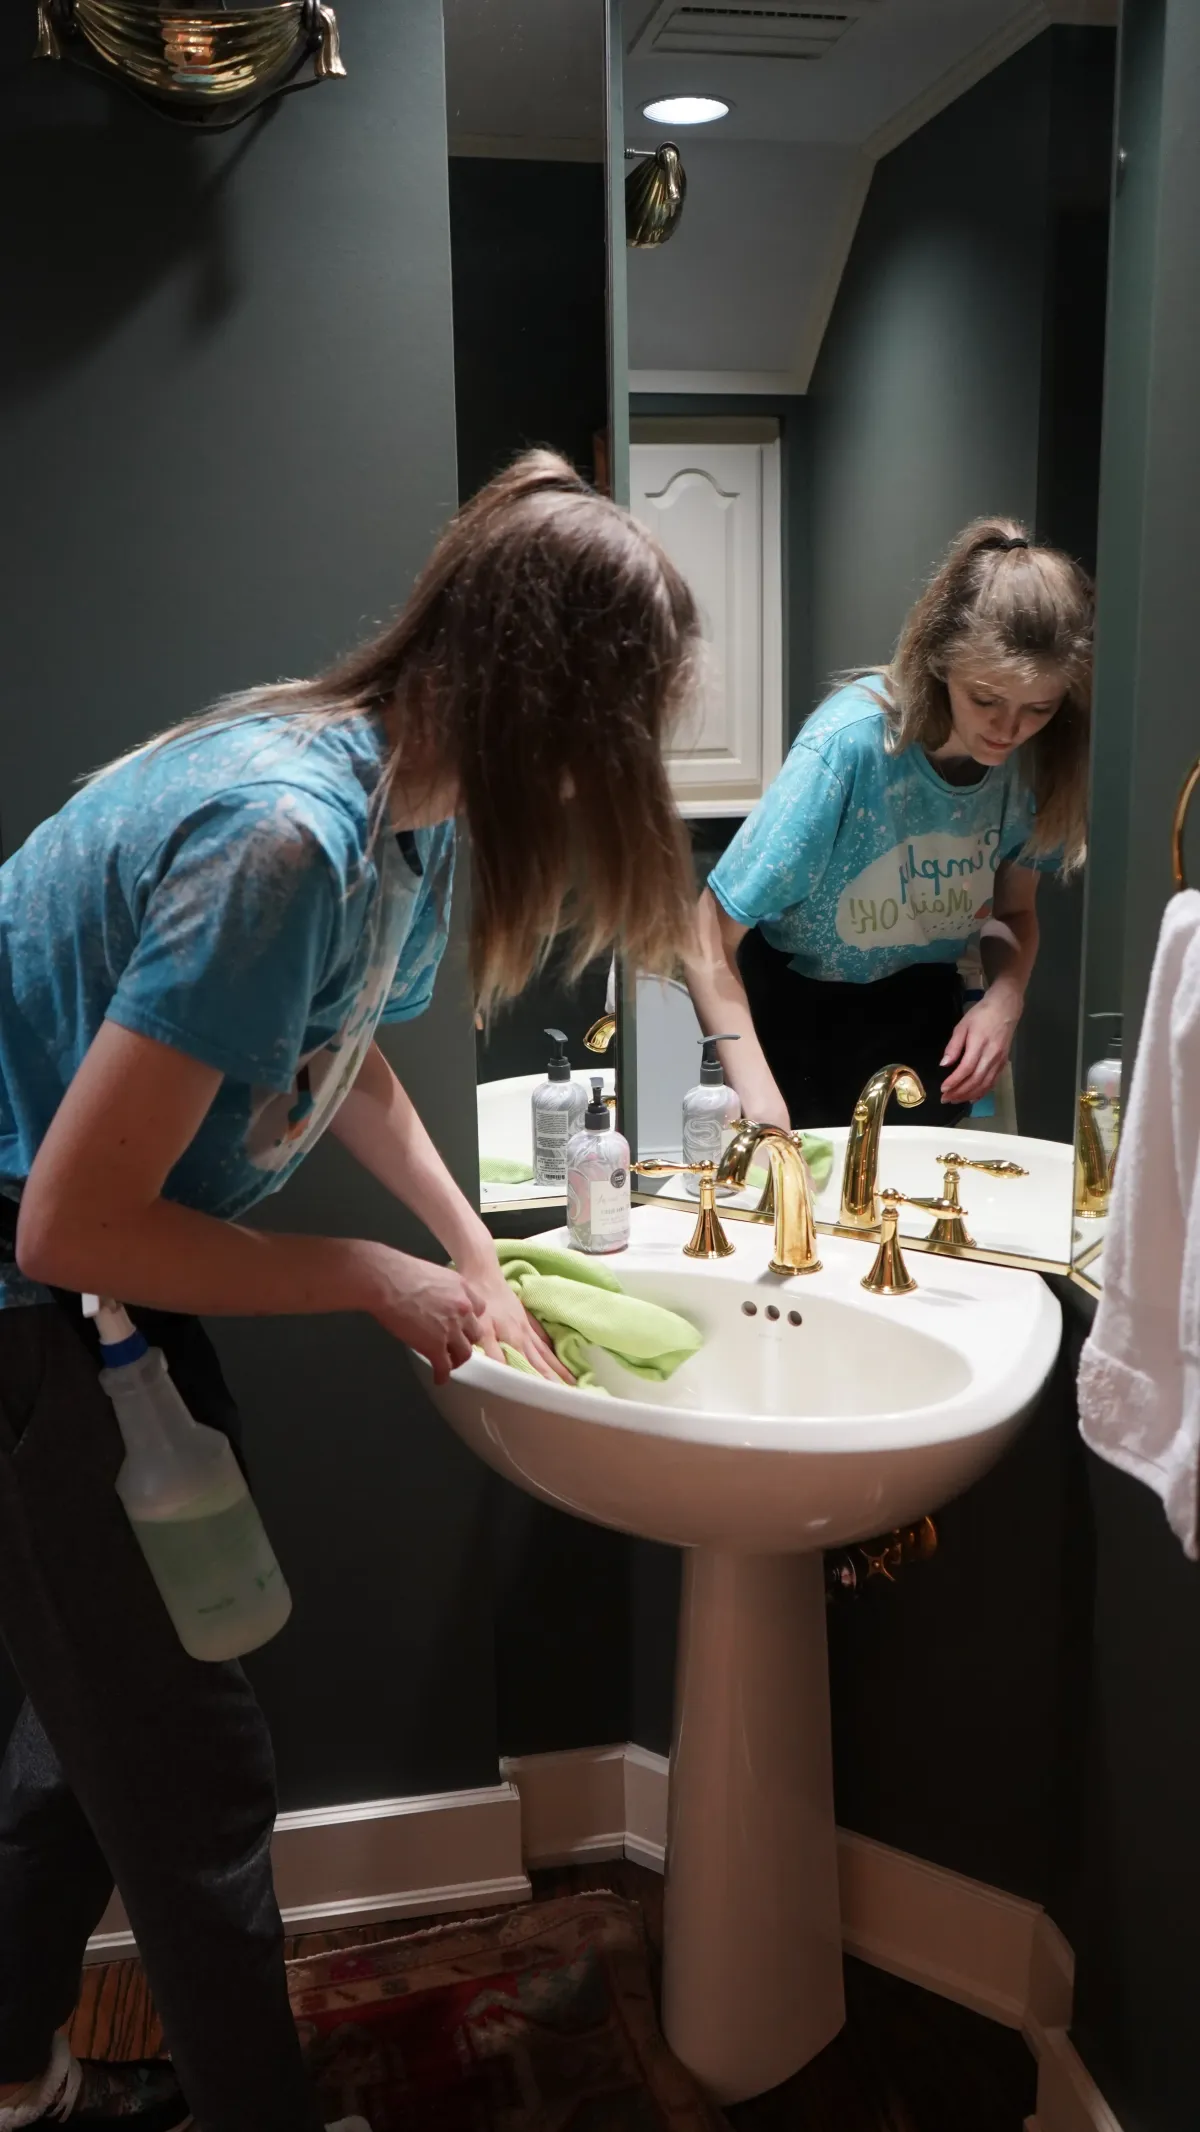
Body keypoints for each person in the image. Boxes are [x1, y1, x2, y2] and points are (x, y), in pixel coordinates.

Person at [0, 453, 700, 2132]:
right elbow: (70, 1227)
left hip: (84, 1276)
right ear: (544, 715)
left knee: (89, 1738)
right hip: (34, 1280)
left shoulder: (408, 814)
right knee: (192, 1774)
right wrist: (368, 1276)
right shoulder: (279, 833)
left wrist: (465, 1247)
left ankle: (13, 2070)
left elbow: (345, 1056)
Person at [684, 519, 1093, 1132]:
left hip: (919, 1010)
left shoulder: (1035, 765)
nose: (1009, 730)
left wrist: (1006, 998)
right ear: (940, 662)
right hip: (793, 1020)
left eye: (1038, 708)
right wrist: (761, 1100)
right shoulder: (850, 748)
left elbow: (1014, 913)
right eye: (986, 699)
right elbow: (703, 938)